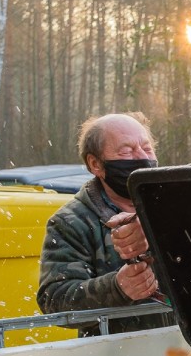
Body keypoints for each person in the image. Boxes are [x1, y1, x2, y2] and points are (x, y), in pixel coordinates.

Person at [37, 112, 174, 336]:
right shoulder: (71, 222)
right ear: (95, 164)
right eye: (126, 151)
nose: (142, 157)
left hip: (186, 351)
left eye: (147, 148)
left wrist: (156, 232)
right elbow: (54, 299)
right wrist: (117, 288)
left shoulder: (179, 204)